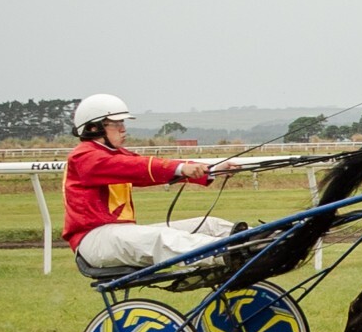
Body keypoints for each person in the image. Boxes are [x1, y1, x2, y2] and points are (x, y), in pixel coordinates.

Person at [64, 94, 240, 269]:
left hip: (118, 235)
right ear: (94, 128)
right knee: (160, 238)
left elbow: (150, 169)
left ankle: (258, 244)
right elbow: (139, 166)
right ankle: (230, 253)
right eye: (116, 124)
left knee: (209, 225)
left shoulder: (115, 154)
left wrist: (214, 169)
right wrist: (180, 168)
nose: (123, 129)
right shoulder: (83, 156)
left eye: (123, 123)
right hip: (94, 240)